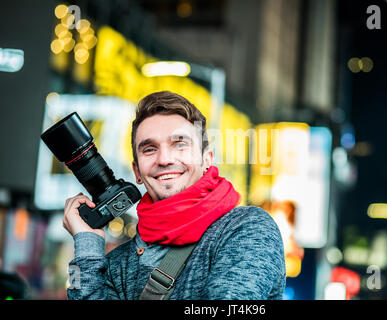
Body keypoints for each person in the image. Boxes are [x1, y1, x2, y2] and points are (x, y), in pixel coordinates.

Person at [64, 91, 286, 300]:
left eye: (180, 144)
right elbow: (75, 287)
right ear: (137, 172)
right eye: (149, 149)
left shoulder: (247, 228)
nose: (164, 159)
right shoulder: (116, 264)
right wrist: (86, 246)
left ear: (207, 159)